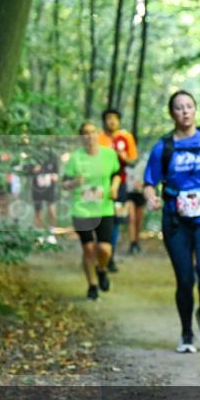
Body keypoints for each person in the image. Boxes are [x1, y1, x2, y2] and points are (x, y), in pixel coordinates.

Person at [142, 90, 200, 353]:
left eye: (189, 106)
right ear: (172, 113)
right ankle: (186, 334)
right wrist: (151, 197)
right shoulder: (164, 147)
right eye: (179, 107)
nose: (185, 111)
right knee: (185, 279)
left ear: (195, 110)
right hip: (175, 218)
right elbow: (149, 182)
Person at [62, 122, 121, 300]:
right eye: (85, 133)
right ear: (81, 137)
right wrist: (74, 182)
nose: (89, 136)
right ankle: (92, 286)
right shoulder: (75, 158)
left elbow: (117, 175)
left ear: (98, 134)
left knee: (104, 249)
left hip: (104, 208)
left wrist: (114, 187)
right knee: (88, 249)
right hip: (82, 210)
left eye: (92, 132)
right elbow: (65, 184)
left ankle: (101, 269)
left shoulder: (109, 154)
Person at [98, 108, 138, 271]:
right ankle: (99, 254)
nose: (112, 121)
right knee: (98, 219)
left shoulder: (126, 137)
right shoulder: (98, 138)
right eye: (109, 118)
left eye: (115, 118)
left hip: (120, 184)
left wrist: (124, 157)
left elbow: (133, 161)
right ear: (104, 121)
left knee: (116, 220)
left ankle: (110, 256)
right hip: (99, 184)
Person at [26, 150, 60, 244]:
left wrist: (55, 176)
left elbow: (56, 173)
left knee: (52, 211)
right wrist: (33, 169)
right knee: (38, 213)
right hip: (37, 189)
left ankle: (51, 234)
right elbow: (26, 170)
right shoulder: (33, 155)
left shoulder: (53, 155)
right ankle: (39, 235)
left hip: (50, 188)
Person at [124, 157, 147, 253]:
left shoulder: (143, 163)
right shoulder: (124, 164)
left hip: (140, 193)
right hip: (129, 194)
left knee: (139, 220)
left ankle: (136, 241)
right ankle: (132, 242)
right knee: (132, 218)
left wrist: (142, 184)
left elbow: (149, 178)